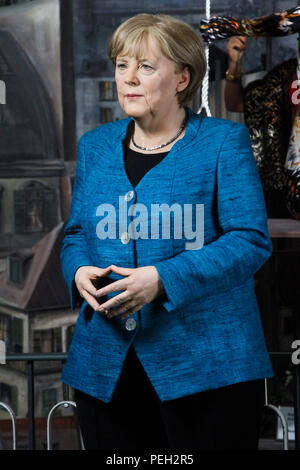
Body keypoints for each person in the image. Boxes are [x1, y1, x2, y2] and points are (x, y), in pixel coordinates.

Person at [60, 13, 274, 450]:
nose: (128, 79)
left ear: (182, 78)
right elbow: (77, 233)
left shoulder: (222, 142)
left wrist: (163, 280)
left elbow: (249, 240)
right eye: (122, 66)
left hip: (210, 367)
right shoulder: (95, 146)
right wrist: (78, 269)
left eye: (146, 67)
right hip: (106, 367)